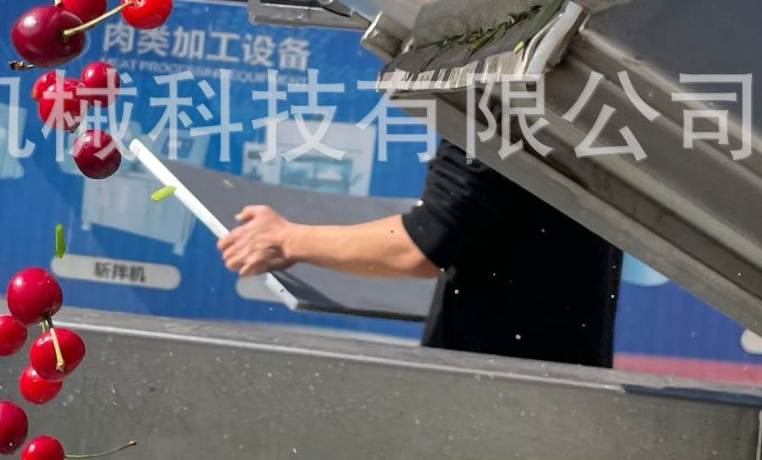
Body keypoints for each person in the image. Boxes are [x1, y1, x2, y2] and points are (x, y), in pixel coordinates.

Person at [217, 140, 623, 369]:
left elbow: (419, 244)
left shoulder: (499, 98)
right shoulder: (576, 100)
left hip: (497, 392)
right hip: (566, 384)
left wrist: (288, 240)